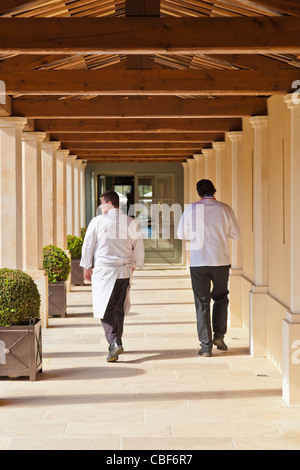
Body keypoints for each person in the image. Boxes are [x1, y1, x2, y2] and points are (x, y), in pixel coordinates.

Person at [177, 179, 240, 357]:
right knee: (221, 298)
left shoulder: (191, 209)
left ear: (198, 193)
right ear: (214, 190)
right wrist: (219, 232)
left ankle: (206, 346)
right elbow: (236, 234)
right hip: (221, 261)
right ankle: (219, 336)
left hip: (199, 262)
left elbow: (181, 233)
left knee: (202, 302)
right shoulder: (225, 208)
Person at [80, 190, 144, 362]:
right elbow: (138, 246)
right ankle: (116, 341)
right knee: (118, 307)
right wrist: (135, 265)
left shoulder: (98, 221)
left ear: (107, 203)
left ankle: (114, 342)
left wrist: (86, 266)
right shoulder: (131, 222)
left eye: (101, 204)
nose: (100, 207)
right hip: (123, 271)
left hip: (104, 271)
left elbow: (88, 245)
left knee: (105, 307)